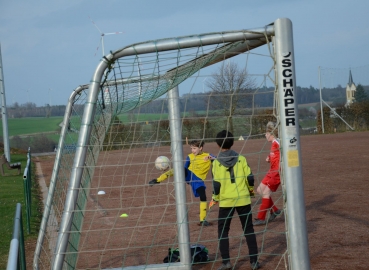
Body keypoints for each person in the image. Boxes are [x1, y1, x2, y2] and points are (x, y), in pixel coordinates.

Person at [210, 130, 260, 270]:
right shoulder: (241, 158)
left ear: (218, 144)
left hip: (226, 201)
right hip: (243, 199)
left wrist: (215, 198)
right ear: (232, 142)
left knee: (223, 231)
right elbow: (250, 177)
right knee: (248, 229)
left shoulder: (216, 162)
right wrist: (250, 191)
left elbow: (216, 184)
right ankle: (254, 262)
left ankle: (226, 262)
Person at [149, 139, 215, 226]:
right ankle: (159, 180)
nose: (192, 150)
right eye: (191, 148)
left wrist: (212, 158)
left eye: (194, 148)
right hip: (190, 175)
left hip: (198, 180)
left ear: (201, 148)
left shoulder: (208, 155)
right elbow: (183, 168)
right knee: (180, 169)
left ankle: (202, 220)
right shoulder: (190, 157)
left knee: (203, 196)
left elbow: (219, 160)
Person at [253, 121, 282, 226]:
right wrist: (269, 158)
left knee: (266, 193)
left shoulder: (278, 143)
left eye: (266, 133)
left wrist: (279, 169)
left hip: (277, 172)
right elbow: (277, 155)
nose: (265, 135)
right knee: (259, 190)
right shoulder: (274, 143)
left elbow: (284, 154)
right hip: (271, 170)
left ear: (271, 134)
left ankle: (261, 218)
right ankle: (274, 210)